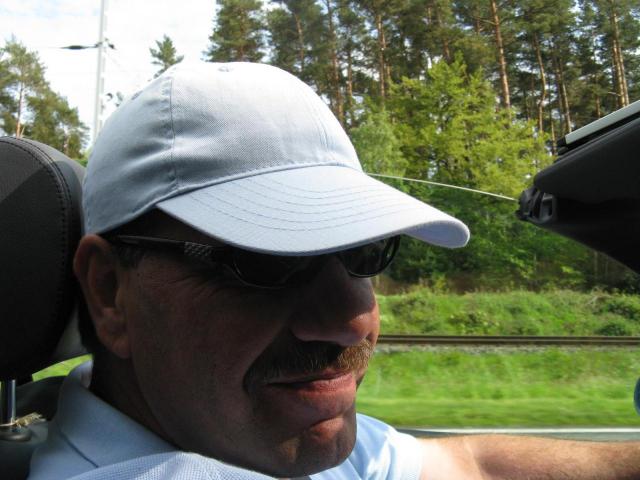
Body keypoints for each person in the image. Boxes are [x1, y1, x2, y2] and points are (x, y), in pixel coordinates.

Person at [29, 62, 640, 480]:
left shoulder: (236, 429)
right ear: (110, 291)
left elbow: (469, 465)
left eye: (363, 253)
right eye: (263, 261)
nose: (352, 320)